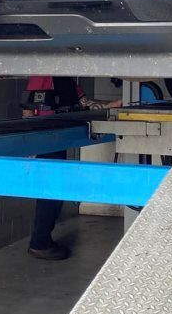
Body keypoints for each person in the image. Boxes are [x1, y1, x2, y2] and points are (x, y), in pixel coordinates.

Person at [22, 76, 120, 259]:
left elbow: (86, 103)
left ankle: (42, 240)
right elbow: (28, 108)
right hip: (46, 138)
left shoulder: (65, 80)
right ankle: (40, 243)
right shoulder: (43, 75)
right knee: (49, 192)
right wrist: (30, 143)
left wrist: (117, 104)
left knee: (55, 190)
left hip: (58, 138)